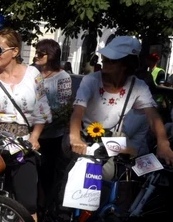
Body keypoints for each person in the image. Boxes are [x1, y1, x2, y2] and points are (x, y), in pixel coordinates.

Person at [70, 36, 173, 173]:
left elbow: (152, 116)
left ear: (126, 64)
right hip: (85, 139)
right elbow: (78, 111)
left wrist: (163, 142)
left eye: (111, 61)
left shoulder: (138, 86)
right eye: (105, 58)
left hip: (112, 141)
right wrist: (75, 137)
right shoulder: (91, 81)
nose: (105, 62)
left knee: (119, 180)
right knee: (75, 179)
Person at [0, 28, 52, 222]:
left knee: (28, 204)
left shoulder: (32, 74)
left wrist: (35, 137)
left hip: (22, 144)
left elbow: (42, 108)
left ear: (15, 51)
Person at [33, 39, 72, 207]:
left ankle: (45, 209)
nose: (36, 56)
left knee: (46, 174)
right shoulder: (33, 74)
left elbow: (62, 108)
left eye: (41, 53)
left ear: (51, 55)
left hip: (51, 135)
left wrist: (42, 120)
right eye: (36, 52)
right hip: (32, 132)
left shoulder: (62, 77)